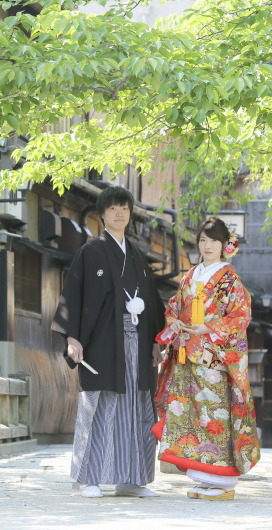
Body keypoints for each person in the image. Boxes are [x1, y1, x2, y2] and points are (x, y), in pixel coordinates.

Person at [51, 186, 166, 498]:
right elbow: (73, 296)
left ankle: (131, 478)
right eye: (113, 208)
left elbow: (153, 304)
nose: (120, 213)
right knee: (98, 407)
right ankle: (90, 477)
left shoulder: (139, 257)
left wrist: (157, 340)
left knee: (134, 408)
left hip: (137, 344)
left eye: (124, 208)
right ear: (101, 215)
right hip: (102, 344)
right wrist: (73, 337)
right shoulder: (91, 253)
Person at [152, 217, 260, 501]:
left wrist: (210, 329)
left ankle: (223, 481)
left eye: (214, 240)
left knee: (215, 416)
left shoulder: (229, 278)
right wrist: (174, 322)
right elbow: (174, 306)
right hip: (188, 355)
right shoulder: (190, 276)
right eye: (203, 240)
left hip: (215, 359)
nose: (208, 245)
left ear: (225, 245)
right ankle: (203, 478)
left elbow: (240, 314)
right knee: (192, 417)